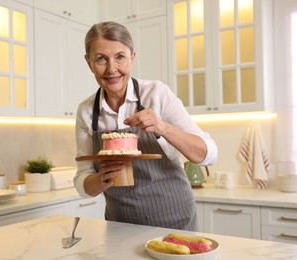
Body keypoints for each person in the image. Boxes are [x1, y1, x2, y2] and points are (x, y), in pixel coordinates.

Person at [74, 21, 218, 231]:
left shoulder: (157, 94)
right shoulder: (86, 111)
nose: (112, 69)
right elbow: (82, 182)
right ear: (89, 63)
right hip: (120, 224)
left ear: (132, 57)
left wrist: (162, 127)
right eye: (101, 59)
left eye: (120, 57)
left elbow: (210, 154)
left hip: (174, 219)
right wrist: (99, 179)